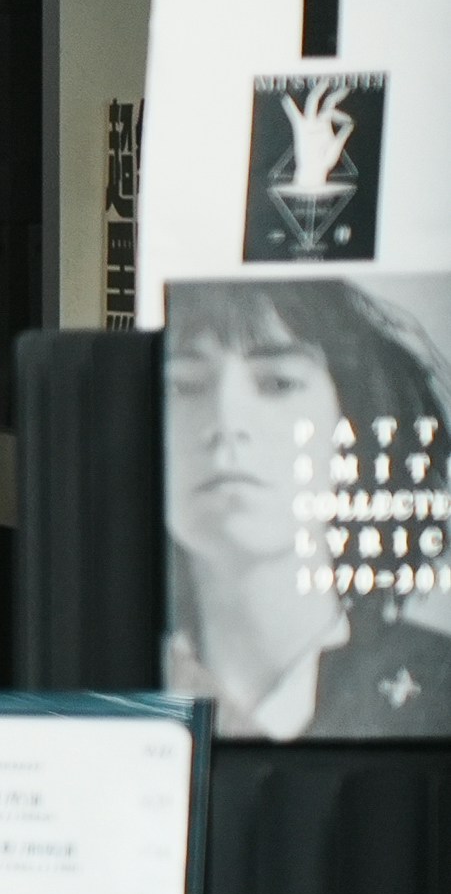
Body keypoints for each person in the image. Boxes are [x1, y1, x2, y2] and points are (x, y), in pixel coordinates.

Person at [162, 277, 451, 740]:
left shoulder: (439, 689)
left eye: (279, 382)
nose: (226, 421)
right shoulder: (103, 680)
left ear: (354, 423)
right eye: (184, 386)